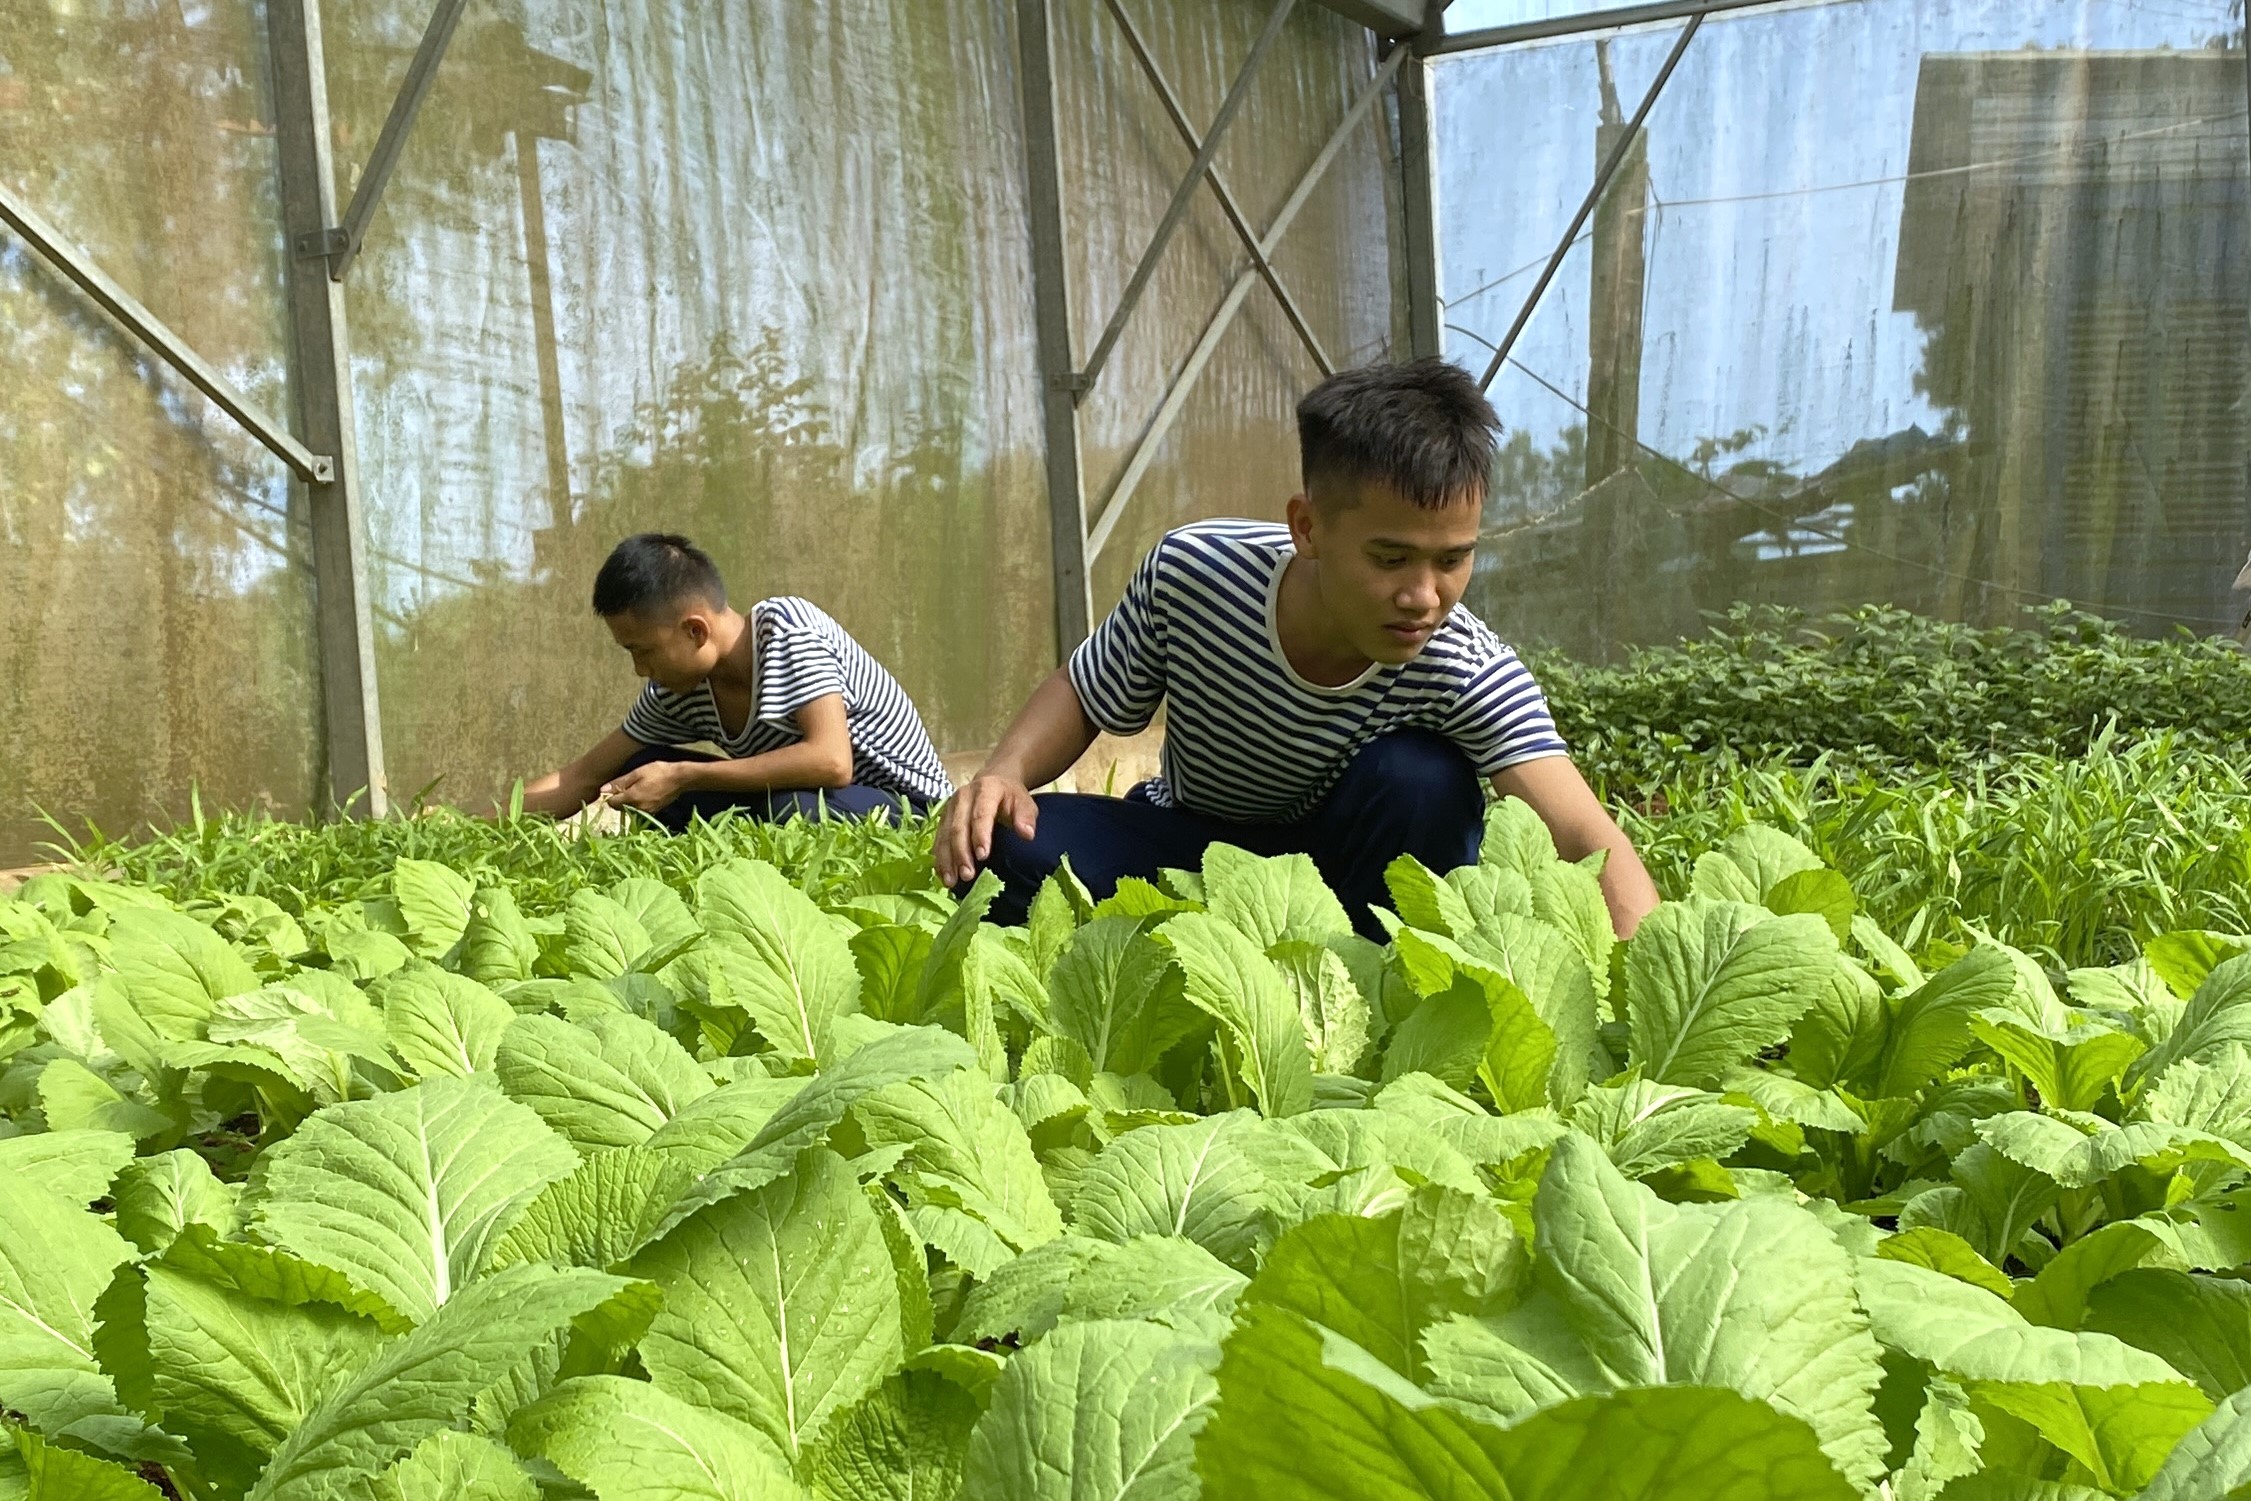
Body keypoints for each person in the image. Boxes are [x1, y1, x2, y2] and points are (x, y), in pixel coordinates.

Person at [935, 358, 1659, 941]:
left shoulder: (1465, 666)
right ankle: (1221, 939)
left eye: (1452, 560)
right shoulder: (1197, 572)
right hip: (1190, 843)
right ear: (1307, 527)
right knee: (998, 851)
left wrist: (1653, 978)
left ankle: (1355, 961)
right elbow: (1084, 690)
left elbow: (1582, 834)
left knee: (1425, 780)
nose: (1423, 596)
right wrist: (1002, 773)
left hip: (1343, 871)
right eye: (1389, 558)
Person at [512, 533, 951, 828]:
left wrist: (687, 775)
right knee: (638, 769)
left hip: (910, 811)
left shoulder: (787, 629)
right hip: (813, 800)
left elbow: (832, 761)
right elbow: (582, 777)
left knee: (789, 809)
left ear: (695, 631)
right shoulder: (676, 693)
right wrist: (466, 823)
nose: (640, 670)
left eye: (641, 651)